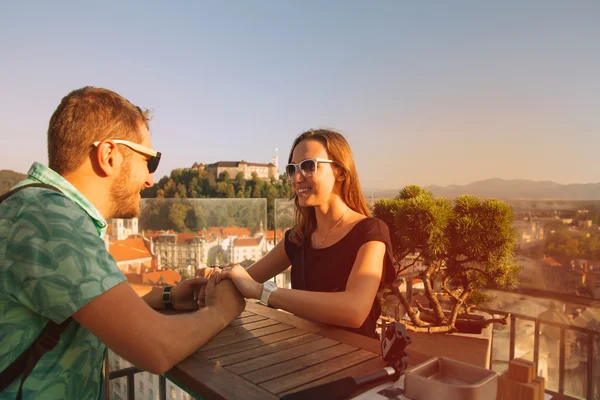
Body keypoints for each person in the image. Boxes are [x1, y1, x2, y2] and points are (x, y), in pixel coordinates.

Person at [0, 87, 245, 400]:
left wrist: (167, 296)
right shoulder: (53, 220)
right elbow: (157, 348)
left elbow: (86, 302)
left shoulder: (38, 207)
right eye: (150, 162)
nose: (150, 180)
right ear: (109, 156)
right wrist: (221, 310)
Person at [209, 129, 395, 339]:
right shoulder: (298, 237)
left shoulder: (370, 232)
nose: (296, 178)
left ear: (341, 172)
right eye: (292, 169)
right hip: (302, 354)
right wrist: (214, 277)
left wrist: (263, 291)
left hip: (354, 359)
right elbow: (246, 279)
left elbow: (355, 311)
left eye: (308, 166)